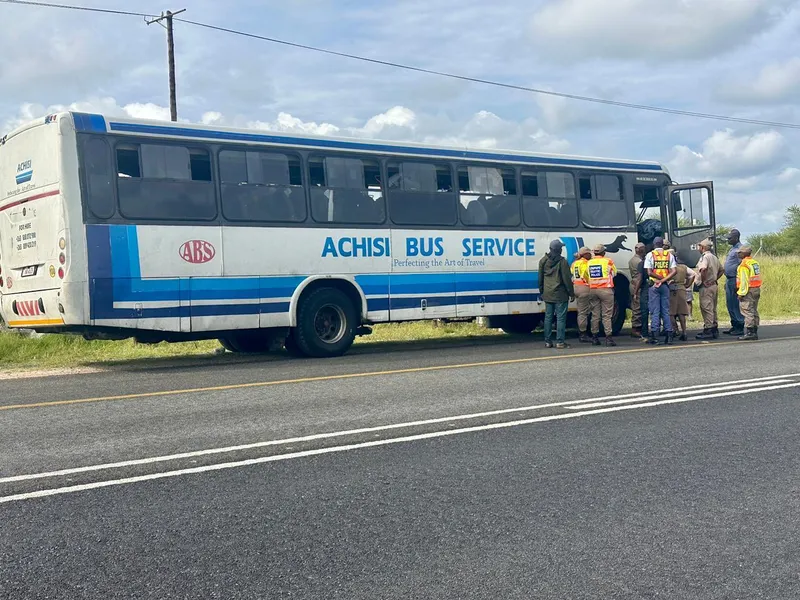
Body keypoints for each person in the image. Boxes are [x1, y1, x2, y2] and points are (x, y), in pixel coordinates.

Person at [538, 239, 575, 349]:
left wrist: (542, 291)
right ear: (559, 250)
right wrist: (571, 293)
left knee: (548, 317)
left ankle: (548, 341)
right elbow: (567, 279)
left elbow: (540, 279)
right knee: (560, 318)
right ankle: (560, 342)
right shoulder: (562, 262)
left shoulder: (543, 261)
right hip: (560, 294)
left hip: (548, 293)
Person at [644, 236, 677, 344]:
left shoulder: (650, 255)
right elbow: (674, 271)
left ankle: (655, 336)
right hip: (665, 286)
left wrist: (658, 280)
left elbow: (649, 272)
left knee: (655, 311)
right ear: (662, 244)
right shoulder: (669, 255)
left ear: (654, 245)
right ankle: (669, 335)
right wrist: (664, 280)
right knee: (666, 311)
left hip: (654, 285)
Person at [586, 244, 617, 347]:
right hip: (605, 290)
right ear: (603, 252)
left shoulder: (589, 262)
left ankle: (594, 337)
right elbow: (614, 273)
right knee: (607, 315)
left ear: (594, 252)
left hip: (593, 290)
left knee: (595, 314)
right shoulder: (608, 261)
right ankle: (608, 338)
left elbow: (585, 276)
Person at [695, 238, 722, 340]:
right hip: (713, 285)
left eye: (699, 246)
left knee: (706, 308)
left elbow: (703, 269)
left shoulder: (705, 257)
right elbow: (721, 270)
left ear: (702, 247)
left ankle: (708, 329)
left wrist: (703, 280)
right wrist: (714, 279)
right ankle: (714, 328)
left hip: (706, 286)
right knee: (713, 307)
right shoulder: (714, 257)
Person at [736, 245, 762, 341]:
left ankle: (750, 332)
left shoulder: (744, 265)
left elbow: (744, 280)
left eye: (740, 252)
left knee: (747, 310)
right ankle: (754, 329)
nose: (738, 254)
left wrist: (741, 293)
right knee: (754, 310)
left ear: (744, 253)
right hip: (756, 289)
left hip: (748, 290)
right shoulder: (754, 262)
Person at [723, 228, 745, 336]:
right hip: (729, 279)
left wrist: (738, 281)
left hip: (734, 279)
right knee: (729, 303)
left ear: (736, 238)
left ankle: (740, 325)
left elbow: (741, 267)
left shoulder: (740, 249)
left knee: (735, 304)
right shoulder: (732, 249)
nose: (728, 240)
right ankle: (734, 324)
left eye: (730, 238)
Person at [572, 246, 593, 343]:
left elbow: (572, 273)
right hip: (584, 288)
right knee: (583, 312)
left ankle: (583, 332)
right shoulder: (585, 263)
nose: (591, 255)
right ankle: (583, 334)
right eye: (589, 253)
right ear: (585, 254)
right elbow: (586, 274)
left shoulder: (574, 263)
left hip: (576, 287)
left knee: (581, 311)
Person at [669, 258, 693, 341]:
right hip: (682, 288)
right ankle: (684, 332)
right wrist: (687, 284)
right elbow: (692, 275)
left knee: (671, 312)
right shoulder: (683, 267)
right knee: (681, 312)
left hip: (671, 289)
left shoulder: (668, 267)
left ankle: (675, 330)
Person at [628, 243, 646, 338]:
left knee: (635, 306)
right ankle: (636, 328)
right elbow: (640, 277)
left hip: (633, 283)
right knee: (637, 307)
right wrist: (636, 291)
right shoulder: (639, 262)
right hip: (637, 285)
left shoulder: (632, 260)